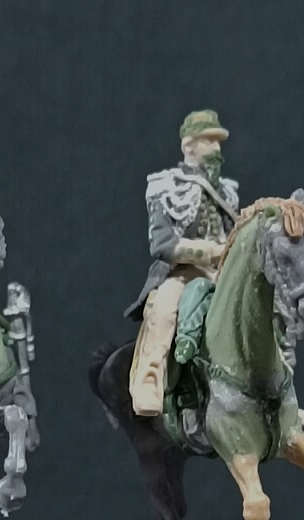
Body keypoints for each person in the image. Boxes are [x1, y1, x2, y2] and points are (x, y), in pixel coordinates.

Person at [125, 110, 239, 416]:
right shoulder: (165, 187)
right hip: (184, 272)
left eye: (218, 142)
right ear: (189, 145)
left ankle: (278, 394)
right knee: (164, 310)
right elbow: (163, 245)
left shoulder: (227, 191)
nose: (216, 148)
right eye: (209, 141)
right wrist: (211, 251)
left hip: (224, 273)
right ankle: (149, 381)